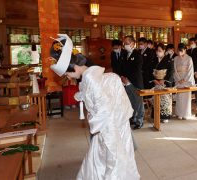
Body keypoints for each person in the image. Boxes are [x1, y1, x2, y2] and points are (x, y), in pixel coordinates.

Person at [49, 34, 140, 180]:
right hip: (115, 125)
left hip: (109, 129)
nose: (67, 75)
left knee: (110, 162)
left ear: (75, 66)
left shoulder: (91, 79)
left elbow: (104, 111)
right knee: (101, 160)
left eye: (67, 72)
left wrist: (98, 123)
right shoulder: (93, 74)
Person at [121, 35, 145, 130]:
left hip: (135, 82)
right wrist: (122, 76)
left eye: (127, 43)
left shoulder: (137, 54)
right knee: (130, 102)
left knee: (138, 103)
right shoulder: (124, 54)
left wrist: (128, 79)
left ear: (133, 44)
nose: (125, 45)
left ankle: (139, 121)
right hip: (126, 82)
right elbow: (122, 67)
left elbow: (137, 69)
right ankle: (133, 119)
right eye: (124, 43)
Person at [149, 43, 174, 123]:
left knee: (165, 100)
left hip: (164, 83)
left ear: (164, 51)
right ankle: (156, 115)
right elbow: (149, 71)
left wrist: (164, 80)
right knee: (157, 99)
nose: (158, 52)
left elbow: (171, 71)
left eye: (160, 51)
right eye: (157, 51)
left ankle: (165, 116)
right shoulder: (153, 60)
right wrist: (154, 80)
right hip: (156, 82)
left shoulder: (169, 60)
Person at [174, 43, 195, 120]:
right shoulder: (175, 58)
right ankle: (179, 113)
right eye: (178, 51)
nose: (179, 52)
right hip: (179, 79)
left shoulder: (189, 58)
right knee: (179, 97)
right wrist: (178, 79)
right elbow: (174, 70)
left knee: (186, 97)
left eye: (181, 51)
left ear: (185, 50)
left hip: (186, 80)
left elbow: (190, 70)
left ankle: (186, 114)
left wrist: (184, 79)